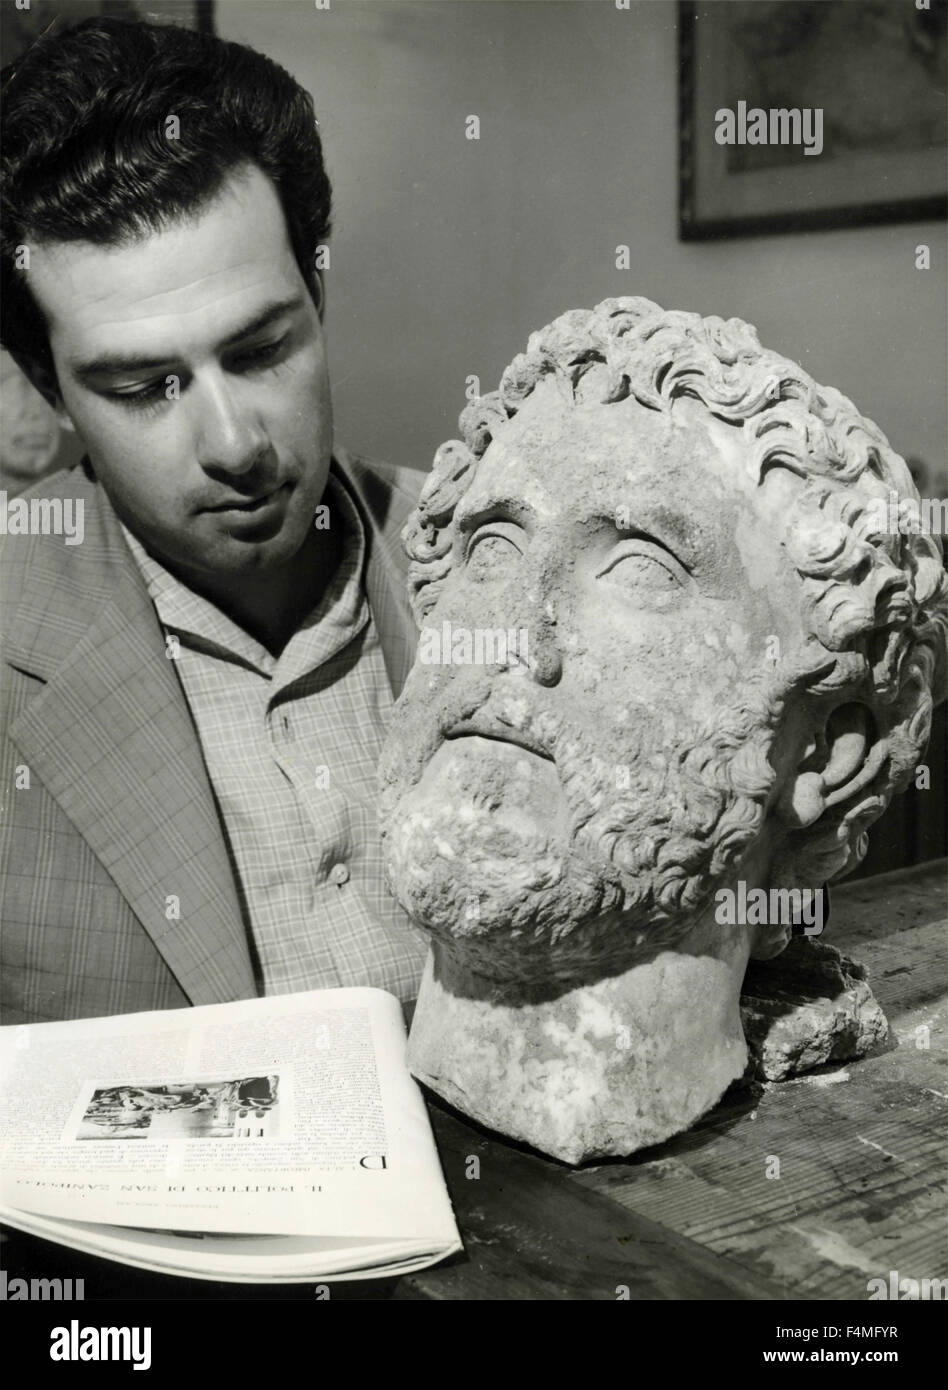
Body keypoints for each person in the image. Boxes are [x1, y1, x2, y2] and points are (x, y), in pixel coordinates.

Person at [0, 16, 428, 1024]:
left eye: (263, 349)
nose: (236, 442)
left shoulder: (492, 560)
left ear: (317, 293)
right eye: (145, 388)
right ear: (50, 392)